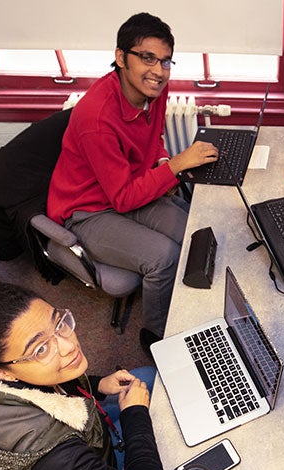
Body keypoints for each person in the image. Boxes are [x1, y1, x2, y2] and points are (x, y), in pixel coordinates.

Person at [46, 12, 219, 353]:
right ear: (121, 57)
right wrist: (180, 164)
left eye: (166, 61)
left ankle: (192, 307)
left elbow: (153, 140)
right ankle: (156, 335)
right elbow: (123, 198)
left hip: (126, 189)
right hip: (88, 210)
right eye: (147, 58)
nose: (158, 70)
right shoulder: (97, 118)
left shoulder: (153, 90)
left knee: (195, 230)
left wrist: (164, 161)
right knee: (164, 257)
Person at [0, 282, 167, 470]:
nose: (69, 345)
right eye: (41, 349)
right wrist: (134, 413)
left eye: (59, 323)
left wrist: (98, 385)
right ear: (1, 373)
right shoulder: (52, 457)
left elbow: (49, 388)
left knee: (149, 375)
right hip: (86, 468)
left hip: (86, 439)